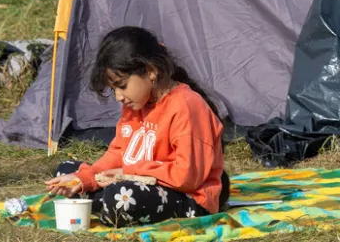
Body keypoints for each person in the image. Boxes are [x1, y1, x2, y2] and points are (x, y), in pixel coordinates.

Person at [44, 26, 229, 227]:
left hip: (187, 197)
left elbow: (187, 177)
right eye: (113, 89)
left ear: (151, 71)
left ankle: (107, 204)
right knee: (67, 172)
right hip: (136, 183)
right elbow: (118, 153)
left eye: (122, 86)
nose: (118, 97)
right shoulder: (136, 105)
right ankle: (106, 203)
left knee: (119, 197)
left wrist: (127, 173)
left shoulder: (186, 105)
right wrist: (85, 178)